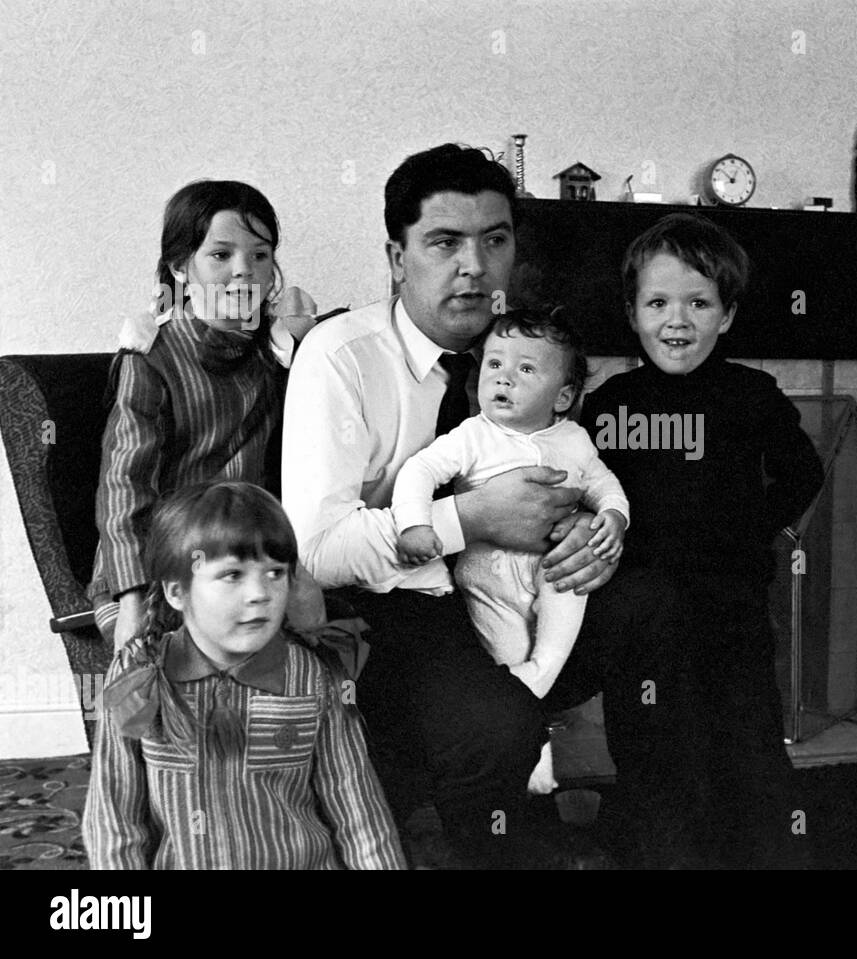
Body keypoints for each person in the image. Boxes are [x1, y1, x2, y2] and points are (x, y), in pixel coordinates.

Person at [281, 144, 695, 867]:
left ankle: (649, 831)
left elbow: (580, 471)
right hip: (409, 607)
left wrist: (596, 538)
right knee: (493, 724)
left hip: (530, 591)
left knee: (657, 600)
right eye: (445, 242)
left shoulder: (530, 353)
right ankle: (491, 835)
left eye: (494, 241)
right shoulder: (341, 356)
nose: (474, 265)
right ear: (397, 255)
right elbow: (316, 546)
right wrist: (469, 519)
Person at [580, 212, 824, 868]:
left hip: (734, 608)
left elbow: (805, 471)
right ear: (632, 314)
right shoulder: (611, 404)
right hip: (643, 614)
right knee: (654, 746)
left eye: (698, 302)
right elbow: (589, 492)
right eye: (657, 302)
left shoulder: (752, 395)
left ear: (728, 314)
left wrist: (755, 529)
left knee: (748, 745)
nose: (677, 320)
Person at [83, 481, 406, 870]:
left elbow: (358, 812)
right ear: (176, 592)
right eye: (233, 574)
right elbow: (114, 820)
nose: (259, 593)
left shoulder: (313, 677)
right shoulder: (137, 673)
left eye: (274, 573)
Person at [391, 309, 629, 795]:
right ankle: (533, 764)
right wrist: (416, 523)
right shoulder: (473, 435)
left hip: (552, 568)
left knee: (566, 597)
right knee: (507, 663)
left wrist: (614, 517)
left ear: (563, 397)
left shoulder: (574, 439)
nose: (503, 377)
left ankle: (544, 672)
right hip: (489, 577)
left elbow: (607, 484)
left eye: (525, 369)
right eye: (494, 364)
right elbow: (418, 472)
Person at [88, 180, 324, 649]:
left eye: (260, 256)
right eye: (221, 256)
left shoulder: (278, 349)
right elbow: (124, 485)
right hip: (157, 568)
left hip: (249, 558)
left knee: (321, 638)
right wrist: (133, 601)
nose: (244, 272)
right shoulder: (151, 355)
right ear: (181, 266)